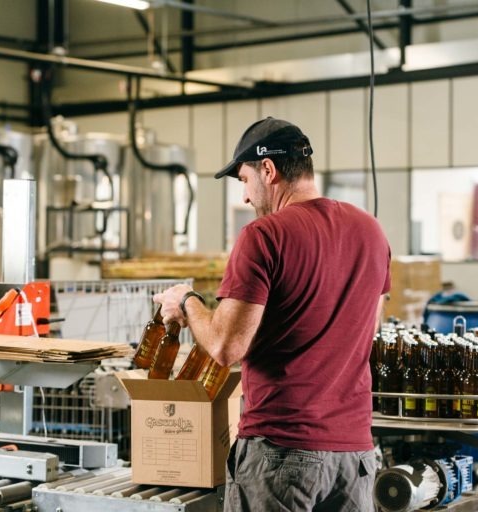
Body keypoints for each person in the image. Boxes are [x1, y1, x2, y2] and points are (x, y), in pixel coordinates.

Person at [154, 117, 391, 512]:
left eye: (245, 180)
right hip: (355, 457)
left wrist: (186, 302)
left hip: (282, 451)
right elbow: (368, 329)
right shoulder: (372, 232)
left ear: (269, 170)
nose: (246, 197)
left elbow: (226, 347)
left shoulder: (264, 236)